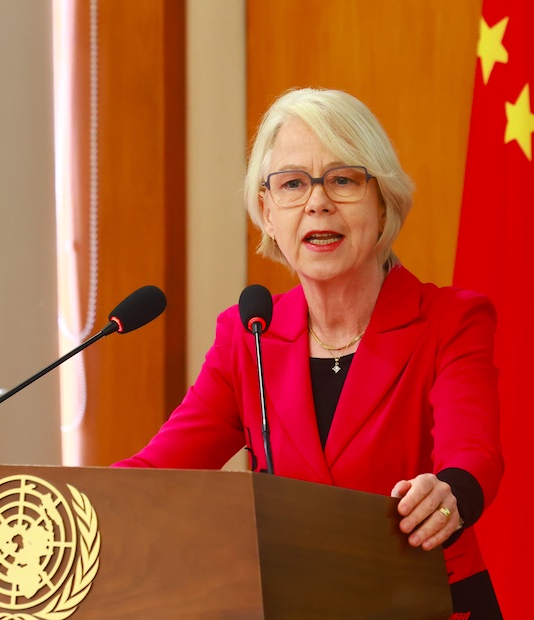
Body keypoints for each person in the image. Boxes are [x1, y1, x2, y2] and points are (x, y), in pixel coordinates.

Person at [115, 87, 504, 617]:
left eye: (342, 180)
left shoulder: (450, 320)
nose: (317, 201)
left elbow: (472, 453)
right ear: (268, 214)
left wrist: (449, 496)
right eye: (293, 184)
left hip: (427, 601)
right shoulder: (248, 335)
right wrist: (67, 501)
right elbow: (159, 473)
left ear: (383, 201)